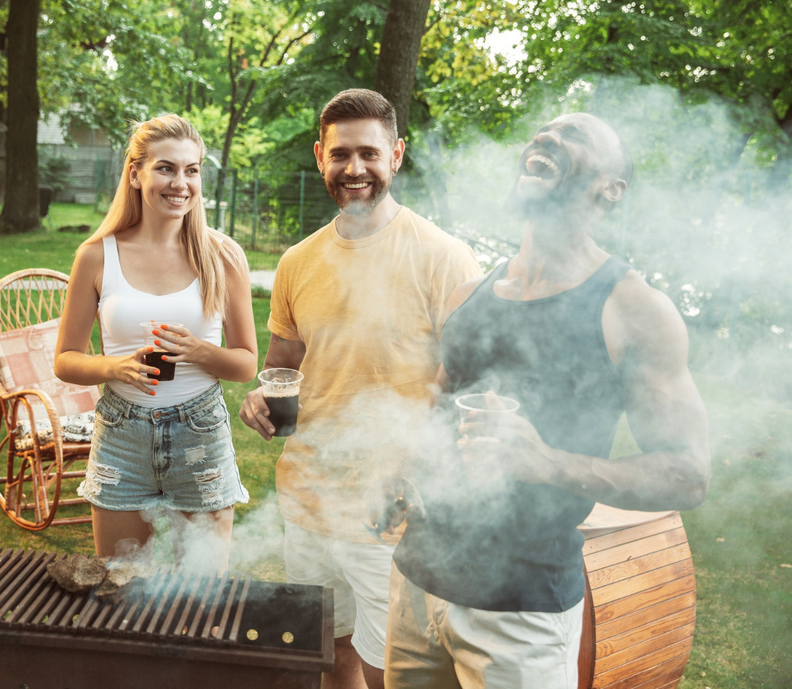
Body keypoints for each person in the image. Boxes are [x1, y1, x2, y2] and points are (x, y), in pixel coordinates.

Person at [383, 113, 711, 689]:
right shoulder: (471, 294)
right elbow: (438, 402)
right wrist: (399, 471)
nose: (548, 137)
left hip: (521, 609)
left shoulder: (634, 309)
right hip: (416, 582)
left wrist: (547, 463)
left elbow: (688, 475)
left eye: (575, 136)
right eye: (545, 131)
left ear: (610, 189)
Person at [238, 89, 482, 689]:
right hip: (307, 497)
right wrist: (259, 398)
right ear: (320, 155)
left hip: (391, 510)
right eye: (340, 154)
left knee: (391, 671)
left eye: (369, 153)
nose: (354, 169)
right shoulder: (297, 262)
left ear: (396, 155)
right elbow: (286, 361)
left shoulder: (444, 258)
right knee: (329, 653)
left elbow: (474, 387)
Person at [54, 114, 257, 571]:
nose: (180, 183)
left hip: (200, 432)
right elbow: (65, 361)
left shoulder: (222, 255)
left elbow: (246, 363)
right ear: (135, 173)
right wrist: (116, 367)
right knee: (121, 586)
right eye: (166, 168)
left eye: (192, 170)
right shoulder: (96, 255)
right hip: (122, 435)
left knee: (203, 593)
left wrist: (200, 352)